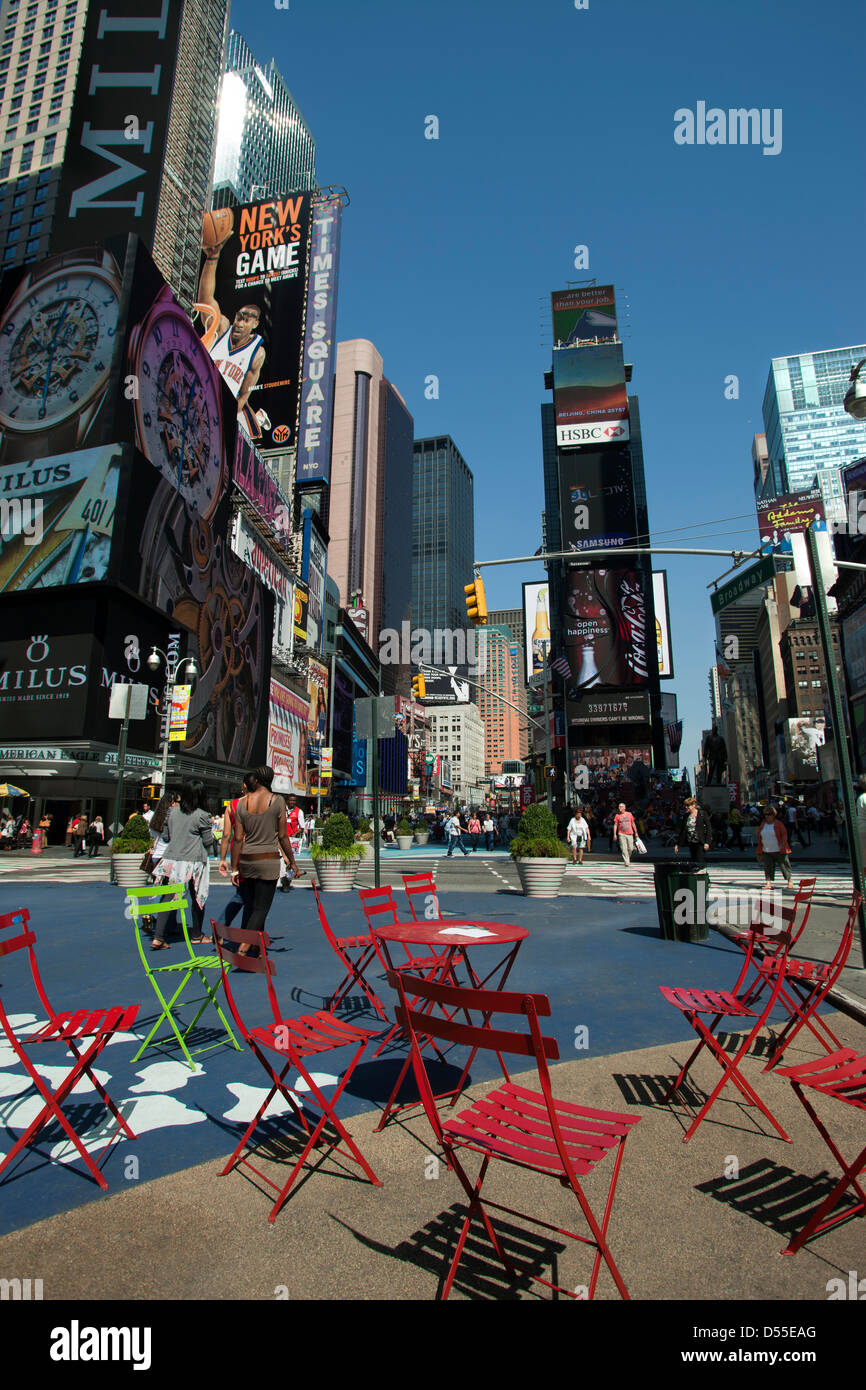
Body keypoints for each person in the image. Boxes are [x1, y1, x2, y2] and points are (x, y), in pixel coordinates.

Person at [230, 766, 298, 954]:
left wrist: (234, 867)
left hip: (247, 858)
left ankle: (258, 949)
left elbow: (237, 839)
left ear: (256, 780)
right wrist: (292, 861)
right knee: (262, 907)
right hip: (267, 858)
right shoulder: (277, 801)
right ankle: (245, 943)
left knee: (252, 905)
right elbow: (283, 836)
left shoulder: (242, 803)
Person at [150, 781, 214, 949]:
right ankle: (197, 934)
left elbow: (166, 837)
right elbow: (208, 841)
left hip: (171, 859)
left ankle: (158, 936)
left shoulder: (172, 812)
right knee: (197, 897)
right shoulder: (202, 815)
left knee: (168, 897)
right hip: (194, 860)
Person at [756, 805, 793, 889]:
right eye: (765, 814)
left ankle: (790, 881)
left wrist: (783, 843)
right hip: (766, 850)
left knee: (784, 866)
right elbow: (760, 836)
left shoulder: (778, 824)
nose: (767, 816)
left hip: (779, 850)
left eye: (769, 814)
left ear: (773, 815)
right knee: (768, 867)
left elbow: (784, 834)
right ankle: (768, 883)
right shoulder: (763, 824)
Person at [279, 795, 306, 892]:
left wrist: (296, 833)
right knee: (282, 859)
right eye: (290, 800)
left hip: (292, 840)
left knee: (291, 859)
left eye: (294, 800)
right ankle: (285, 878)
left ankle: (287, 879)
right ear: (287, 801)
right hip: (281, 839)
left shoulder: (299, 812)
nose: (292, 802)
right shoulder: (281, 810)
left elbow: (302, 827)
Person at [674, 797, 711, 865]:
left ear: (694, 805)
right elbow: (683, 830)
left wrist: (707, 842)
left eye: (688, 805)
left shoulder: (702, 814)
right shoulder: (686, 816)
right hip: (691, 841)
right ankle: (696, 873)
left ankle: (701, 873)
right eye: (685, 805)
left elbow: (708, 828)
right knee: (693, 860)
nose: (686, 807)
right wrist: (678, 844)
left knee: (700, 859)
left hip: (700, 841)